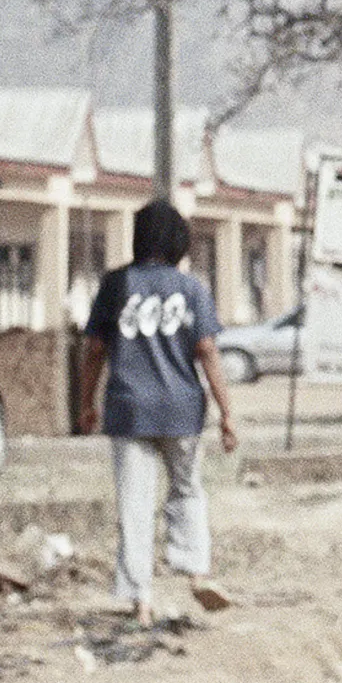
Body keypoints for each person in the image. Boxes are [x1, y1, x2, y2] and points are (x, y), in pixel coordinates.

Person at [77, 197, 239, 620]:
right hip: (182, 410)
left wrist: (86, 403)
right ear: (179, 243)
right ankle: (196, 573)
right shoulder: (192, 289)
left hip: (129, 410)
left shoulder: (115, 285)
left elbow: (95, 350)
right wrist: (227, 413)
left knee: (134, 502)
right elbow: (206, 350)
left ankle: (141, 600)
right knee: (187, 490)